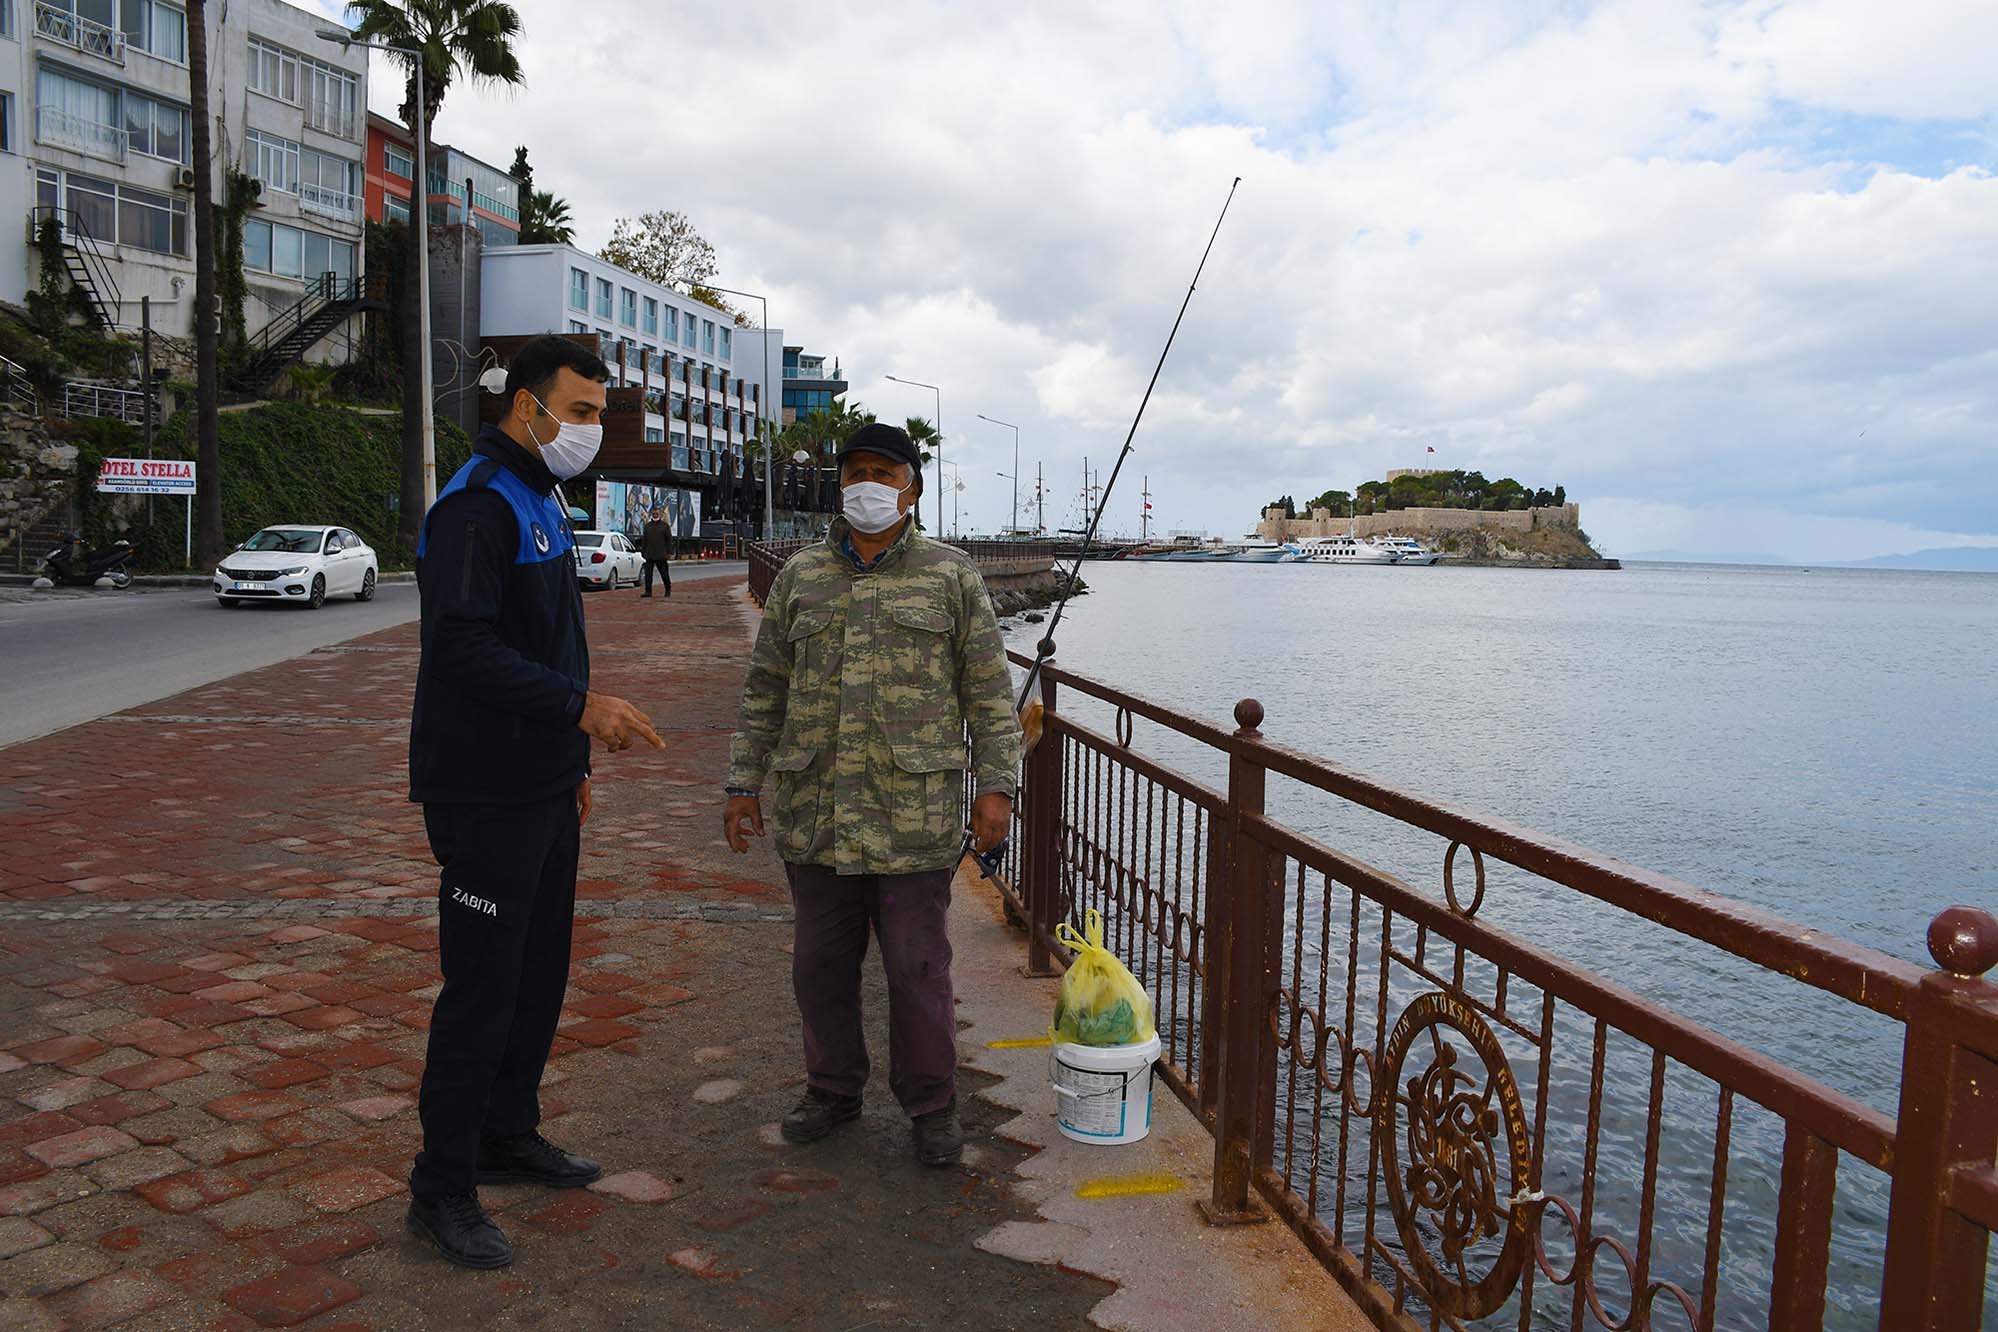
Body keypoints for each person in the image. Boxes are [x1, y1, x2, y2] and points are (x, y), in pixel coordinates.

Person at [407, 335, 665, 1269]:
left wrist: (574, 759)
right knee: (481, 988)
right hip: (482, 790)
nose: (592, 429)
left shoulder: (540, 495)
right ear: (528, 406)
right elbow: (462, 648)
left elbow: (551, 638)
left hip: (544, 782)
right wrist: (582, 711)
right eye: (583, 412)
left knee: (537, 975)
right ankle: (441, 1186)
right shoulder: (477, 505)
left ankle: (505, 1132)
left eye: (599, 412)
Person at [722, 423, 1020, 1167]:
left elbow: (987, 691)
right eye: (856, 470)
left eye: (884, 472)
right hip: (814, 811)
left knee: (919, 970)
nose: (868, 484)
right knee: (820, 965)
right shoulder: (799, 576)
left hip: (910, 818)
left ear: (911, 484)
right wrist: (742, 784)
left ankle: (931, 1104)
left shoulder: (952, 576)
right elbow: (766, 689)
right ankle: (832, 1088)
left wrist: (996, 788)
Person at [640, 505, 672, 598]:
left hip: (661, 554)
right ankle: (648, 591)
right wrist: (643, 552)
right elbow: (644, 540)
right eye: (654, 513)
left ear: (660, 514)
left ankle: (668, 589)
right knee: (648, 575)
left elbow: (669, 540)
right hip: (649, 554)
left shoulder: (665, 526)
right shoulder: (647, 526)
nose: (655, 514)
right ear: (651, 514)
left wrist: (669, 552)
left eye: (657, 513)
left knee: (664, 574)